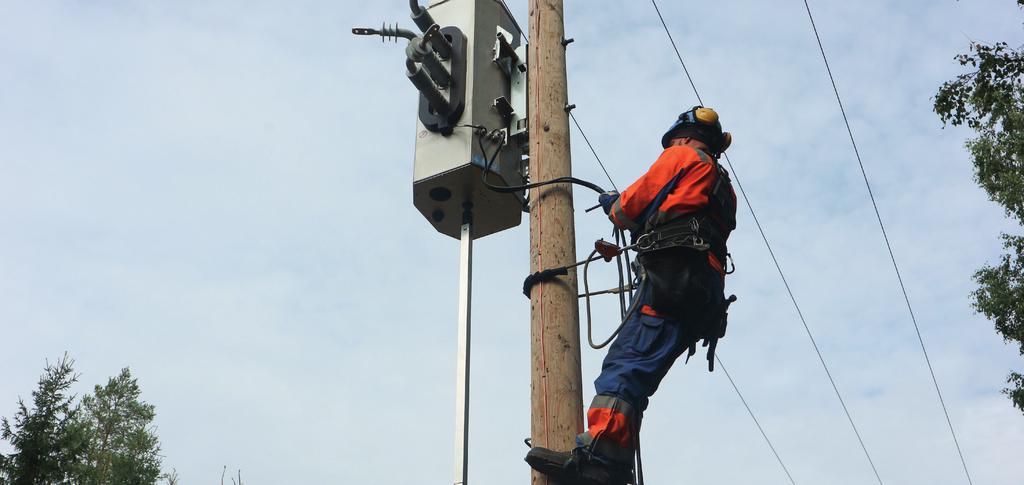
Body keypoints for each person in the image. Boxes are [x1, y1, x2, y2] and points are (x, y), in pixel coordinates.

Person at [525, 106, 738, 485]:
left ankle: (598, 457)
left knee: (626, 367)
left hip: (672, 282)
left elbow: (629, 208)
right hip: (702, 294)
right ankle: (613, 466)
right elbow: (676, 215)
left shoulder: (683, 156)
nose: (671, 146)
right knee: (638, 381)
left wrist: (613, 204)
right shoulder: (723, 187)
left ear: (685, 137)